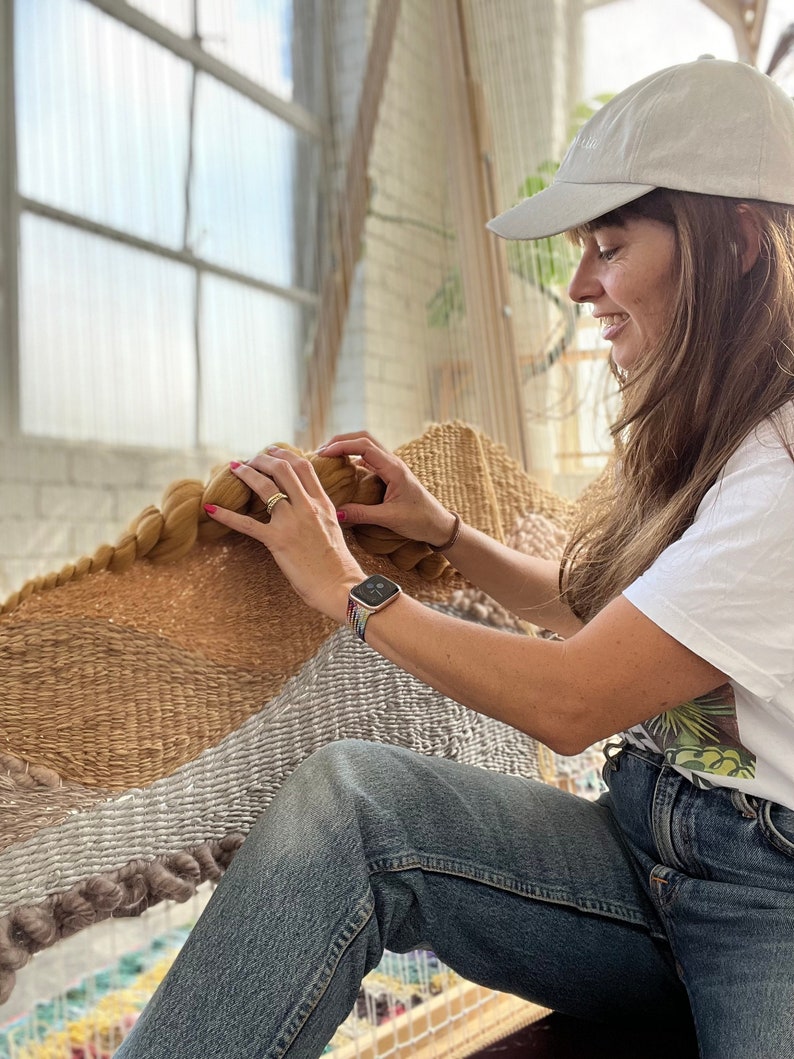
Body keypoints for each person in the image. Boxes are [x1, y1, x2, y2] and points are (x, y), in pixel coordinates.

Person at [115, 57, 794, 1059]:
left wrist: (352, 593)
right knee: (352, 806)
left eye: (608, 246)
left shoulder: (780, 474)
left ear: (736, 242)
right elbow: (597, 621)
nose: (577, 286)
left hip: (764, 900)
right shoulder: (721, 440)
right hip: (644, 841)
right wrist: (442, 534)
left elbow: (572, 698)